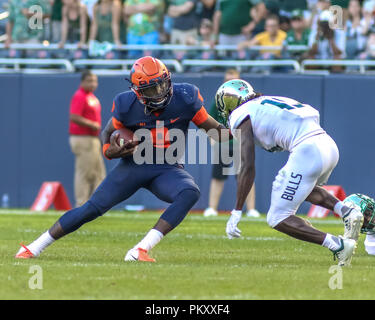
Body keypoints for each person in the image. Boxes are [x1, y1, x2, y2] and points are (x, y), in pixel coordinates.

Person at [15, 56, 230, 262]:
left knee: (189, 192)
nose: (160, 92)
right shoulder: (127, 105)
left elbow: (213, 131)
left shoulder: (185, 98)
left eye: (162, 84)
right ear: (137, 91)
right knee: (91, 209)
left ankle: (140, 249)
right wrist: (116, 151)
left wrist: (239, 127)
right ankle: (34, 247)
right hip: (133, 166)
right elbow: (107, 139)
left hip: (166, 168)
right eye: (151, 88)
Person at [215, 79, 364, 266]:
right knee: (302, 187)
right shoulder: (265, 102)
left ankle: (338, 245)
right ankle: (346, 211)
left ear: (228, 104)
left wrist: (237, 210)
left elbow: (247, 165)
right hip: (328, 145)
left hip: (308, 150)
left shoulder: (240, 113)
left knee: (278, 217)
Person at [203, 69, 259, 218]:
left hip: (241, 141)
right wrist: (213, 141)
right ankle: (212, 208)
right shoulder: (218, 100)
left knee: (246, 175)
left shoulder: (247, 100)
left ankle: (251, 209)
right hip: (223, 143)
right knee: (218, 176)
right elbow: (210, 121)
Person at [68, 70, 106, 208]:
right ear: (82, 82)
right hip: (82, 138)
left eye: (95, 81)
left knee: (98, 173)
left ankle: (95, 205)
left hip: (93, 138)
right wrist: (92, 124)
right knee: (84, 172)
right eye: (89, 80)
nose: (93, 83)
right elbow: (74, 116)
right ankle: (81, 204)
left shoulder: (92, 97)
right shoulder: (80, 96)